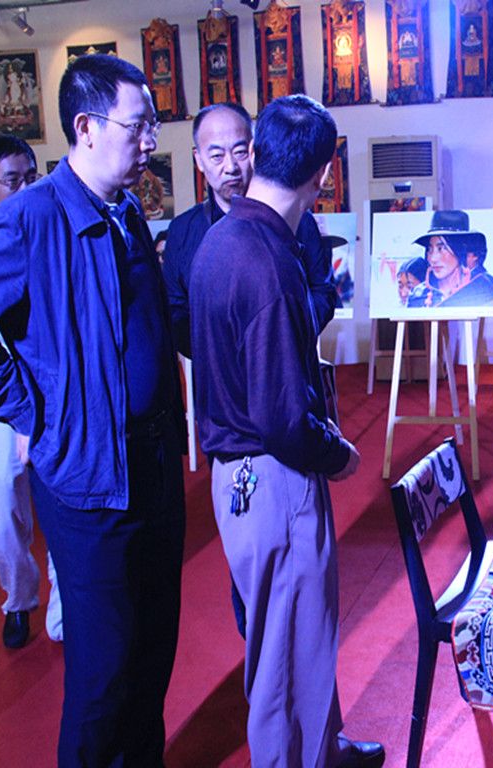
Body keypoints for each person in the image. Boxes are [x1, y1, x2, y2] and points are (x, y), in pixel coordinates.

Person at [0, 54, 186, 766]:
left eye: (152, 125)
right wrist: (30, 408)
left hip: (153, 465)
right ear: (86, 127)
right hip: (89, 480)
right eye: (137, 125)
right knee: (103, 671)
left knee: (153, 650)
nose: (149, 140)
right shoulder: (27, 221)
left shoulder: (124, 210)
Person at [190, 94, 384, 768]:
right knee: (284, 655)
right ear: (323, 174)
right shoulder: (264, 260)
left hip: (244, 477)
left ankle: (321, 749)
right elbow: (280, 418)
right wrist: (337, 454)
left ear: (256, 153)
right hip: (272, 477)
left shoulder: (226, 239)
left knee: (298, 643)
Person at [0, 135, 61, 649]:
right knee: (1, 504)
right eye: (11, 181)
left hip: (53, 390)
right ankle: (20, 598)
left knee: (64, 498)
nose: (25, 189)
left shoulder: (50, 236)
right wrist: (12, 403)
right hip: (0, 400)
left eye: (31, 177)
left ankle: (66, 606)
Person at [163, 101, 336, 359]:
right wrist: (223, 349)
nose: (231, 167)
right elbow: (175, 310)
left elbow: (323, 292)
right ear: (199, 160)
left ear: (254, 151)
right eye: (217, 156)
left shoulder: (299, 219)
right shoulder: (183, 230)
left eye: (240, 152)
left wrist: (283, 335)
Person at [406, 210, 493, 308]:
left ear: (460, 249)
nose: (433, 259)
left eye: (441, 249)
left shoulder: (484, 288)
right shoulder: (418, 295)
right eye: (430, 249)